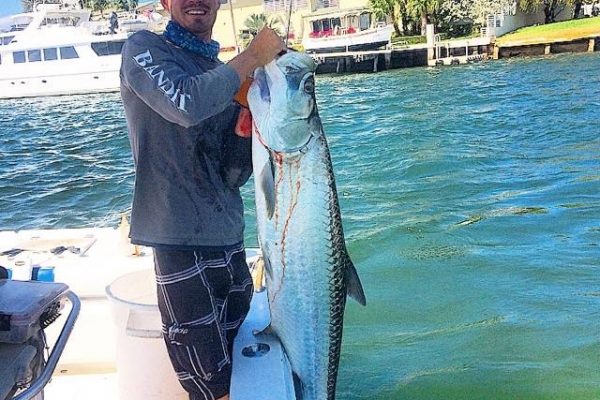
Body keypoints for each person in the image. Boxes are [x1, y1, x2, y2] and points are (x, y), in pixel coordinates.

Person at [119, 0, 286, 398]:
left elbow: (233, 175)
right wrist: (251, 57)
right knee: (210, 387)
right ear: (165, 2)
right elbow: (185, 104)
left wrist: (244, 131)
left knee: (242, 371)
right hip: (180, 245)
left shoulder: (224, 76)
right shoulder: (143, 48)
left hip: (230, 244)